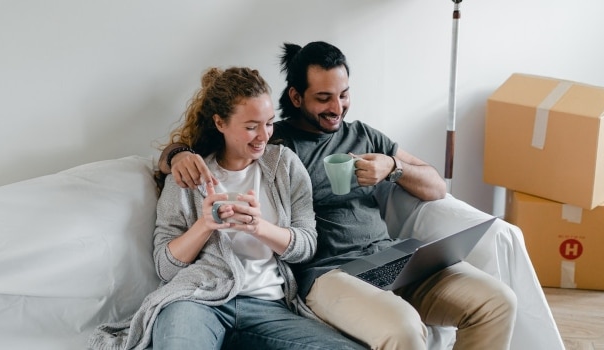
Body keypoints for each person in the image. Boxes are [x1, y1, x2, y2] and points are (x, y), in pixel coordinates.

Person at [159, 42, 518, 350]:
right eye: (323, 98)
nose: (337, 107)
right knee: (403, 328)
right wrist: (176, 155)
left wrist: (393, 167)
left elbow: (436, 187)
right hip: (330, 274)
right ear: (297, 97)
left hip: (391, 259)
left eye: (343, 95)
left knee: (497, 302)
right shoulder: (277, 144)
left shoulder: (364, 135)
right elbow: (202, 151)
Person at [88, 67, 364, 350]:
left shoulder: (284, 165)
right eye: (250, 126)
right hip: (197, 300)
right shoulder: (187, 175)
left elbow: (306, 246)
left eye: (268, 123)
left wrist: (259, 227)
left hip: (267, 306)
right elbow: (165, 268)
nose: (263, 135)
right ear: (220, 123)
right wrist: (205, 224)